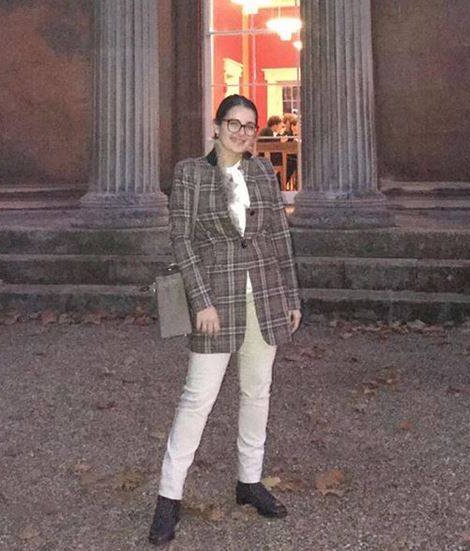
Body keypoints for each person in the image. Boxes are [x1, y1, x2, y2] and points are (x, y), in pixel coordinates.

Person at [149, 94, 302, 547]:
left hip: (265, 297)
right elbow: (183, 240)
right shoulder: (190, 173)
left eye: (249, 126)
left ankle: (249, 481)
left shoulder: (263, 173)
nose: (241, 132)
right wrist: (201, 302)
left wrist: (291, 295)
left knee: (257, 392)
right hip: (216, 302)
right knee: (197, 398)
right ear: (216, 127)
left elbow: (278, 235)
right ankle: (168, 497)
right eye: (233, 123)